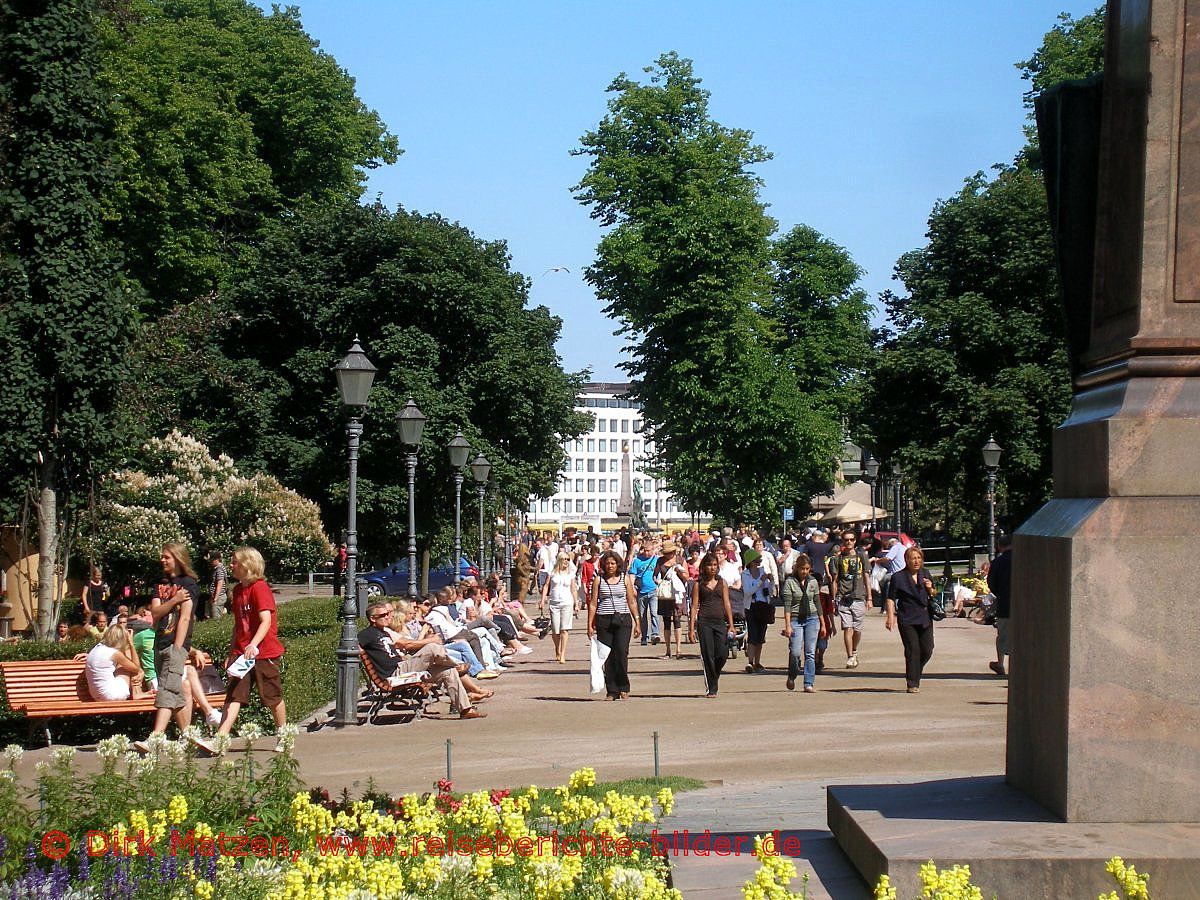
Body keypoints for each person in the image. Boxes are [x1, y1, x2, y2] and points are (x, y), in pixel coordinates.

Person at [205, 547, 287, 744]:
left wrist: (253, 644)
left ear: (247, 565)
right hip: (242, 654)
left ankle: (284, 735)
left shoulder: (260, 588)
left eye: (234, 562)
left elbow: (265, 620)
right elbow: (238, 626)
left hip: (263, 653)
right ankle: (221, 739)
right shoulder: (238, 591)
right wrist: (232, 651)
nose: (231, 566)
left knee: (271, 696)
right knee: (234, 696)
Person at [358, 601, 485, 719]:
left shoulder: (384, 632)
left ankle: (465, 710)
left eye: (387, 614)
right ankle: (457, 666)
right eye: (383, 615)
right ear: (373, 618)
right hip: (394, 674)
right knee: (432, 647)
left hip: (403, 666)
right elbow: (353, 643)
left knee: (448, 671)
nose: (387, 617)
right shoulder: (368, 634)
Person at [134, 543, 198, 752]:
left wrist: (178, 649)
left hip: (175, 646)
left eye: (167, 557)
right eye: (161, 557)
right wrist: (174, 600)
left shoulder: (189, 584)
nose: (162, 560)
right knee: (175, 693)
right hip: (159, 643)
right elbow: (155, 613)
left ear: (178, 558)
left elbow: (185, 618)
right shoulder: (159, 584)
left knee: (167, 689)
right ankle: (189, 736)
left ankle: (156, 738)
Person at [587, 549, 639, 700]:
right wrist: (590, 624)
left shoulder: (625, 579)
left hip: (623, 620)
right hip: (604, 620)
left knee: (622, 653)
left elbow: (631, 601)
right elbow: (593, 603)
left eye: (613, 563)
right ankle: (612, 690)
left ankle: (624, 686)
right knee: (607, 656)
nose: (610, 566)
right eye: (607, 563)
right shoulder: (599, 580)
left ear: (618, 565)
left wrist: (637, 621)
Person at [885, 546, 938, 693]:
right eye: (913, 558)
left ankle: (915, 670)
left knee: (927, 649)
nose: (916, 561)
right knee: (912, 650)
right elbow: (890, 598)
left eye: (919, 558)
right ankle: (912, 682)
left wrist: (930, 588)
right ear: (906, 560)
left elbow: (934, 593)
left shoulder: (925, 573)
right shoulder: (898, 577)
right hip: (907, 618)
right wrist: (891, 617)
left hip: (925, 617)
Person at [690, 552, 736, 699]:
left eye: (715, 565)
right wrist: (691, 628)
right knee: (708, 655)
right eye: (709, 565)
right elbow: (694, 606)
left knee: (722, 654)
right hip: (704, 622)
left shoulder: (722, 583)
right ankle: (712, 686)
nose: (712, 568)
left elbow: (727, 603)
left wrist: (731, 625)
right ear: (704, 567)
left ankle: (714, 675)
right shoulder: (698, 584)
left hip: (719, 622)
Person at [781, 553, 824, 693]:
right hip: (795, 618)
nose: (804, 572)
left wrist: (823, 623)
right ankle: (792, 675)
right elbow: (787, 606)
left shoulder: (813, 582)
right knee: (795, 651)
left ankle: (808, 682)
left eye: (807, 569)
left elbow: (817, 603)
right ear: (797, 568)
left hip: (812, 618)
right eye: (802, 569)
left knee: (810, 652)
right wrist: (787, 625)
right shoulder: (790, 582)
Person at [831, 531, 872, 668]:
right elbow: (835, 580)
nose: (849, 542)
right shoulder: (838, 559)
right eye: (846, 540)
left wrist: (869, 597)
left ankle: (854, 650)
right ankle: (849, 656)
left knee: (857, 629)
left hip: (859, 596)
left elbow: (866, 576)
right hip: (843, 597)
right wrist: (834, 598)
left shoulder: (862, 556)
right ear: (842, 541)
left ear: (855, 541)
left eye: (851, 540)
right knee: (847, 627)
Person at [83, 623, 147, 701]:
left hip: (96, 695)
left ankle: (137, 692)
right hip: (111, 695)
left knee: (125, 662)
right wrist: (131, 644)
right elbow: (136, 668)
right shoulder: (114, 653)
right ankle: (137, 692)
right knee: (127, 658)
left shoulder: (97, 648)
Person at [540, 553, 578, 663]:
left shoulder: (570, 574)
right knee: (555, 630)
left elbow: (573, 588)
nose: (566, 561)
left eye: (568, 559)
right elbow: (546, 586)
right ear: (559, 560)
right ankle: (557, 648)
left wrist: (576, 602)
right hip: (554, 603)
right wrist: (543, 600)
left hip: (567, 602)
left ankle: (563, 653)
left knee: (564, 629)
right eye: (564, 559)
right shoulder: (552, 573)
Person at [741, 550, 773, 673]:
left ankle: (757, 662)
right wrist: (761, 580)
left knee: (761, 636)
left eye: (759, 560)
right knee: (752, 635)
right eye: (756, 561)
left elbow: (768, 591)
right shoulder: (745, 574)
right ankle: (750, 662)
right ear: (750, 562)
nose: (758, 563)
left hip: (763, 605)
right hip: (752, 606)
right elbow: (748, 592)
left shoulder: (762, 571)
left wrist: (770, 581)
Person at [654, 542, 687, 658]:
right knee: (666, 621)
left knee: (677, 619)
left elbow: (686, 577)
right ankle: (668, 650)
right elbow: (655, 575)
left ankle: (678, 649)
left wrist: (680, 572)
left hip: (677, 593)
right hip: (666, 594)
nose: (668, 555)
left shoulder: (681, 560)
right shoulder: (660, 561)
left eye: (670, 553)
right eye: (667, 553)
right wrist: (658, 582)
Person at [987, 534, 1013, 677]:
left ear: (999, 546)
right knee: (1019, 636)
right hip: (1023, 604)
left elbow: (991, 583)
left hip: (1005, 604)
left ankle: (1000, 663)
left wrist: (1001, 593)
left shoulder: (998, 562)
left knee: (1003, 635)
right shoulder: (1023, 558)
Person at [628, 539, 660, 646]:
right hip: (641, 592)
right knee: (642, 616)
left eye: (649, 550)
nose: (647, 553)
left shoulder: (657, 560)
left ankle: (655, 634)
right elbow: (632, 575)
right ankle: (644, 636)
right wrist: (632, 588)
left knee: (654, 613)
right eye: (645, 550)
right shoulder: (637, 561)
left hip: (653, 590)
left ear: (653, 550)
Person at [203, 551, 227, 620]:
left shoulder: (219, 570)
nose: (210, 563)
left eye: (211, 561)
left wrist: (216, 598)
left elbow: (220, 584)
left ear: (216, 559)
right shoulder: (216, 568)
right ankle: (222, 610)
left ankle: (223, 611)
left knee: (216, 618)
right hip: (215, 596)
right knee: (210, 613)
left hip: (219, 596)